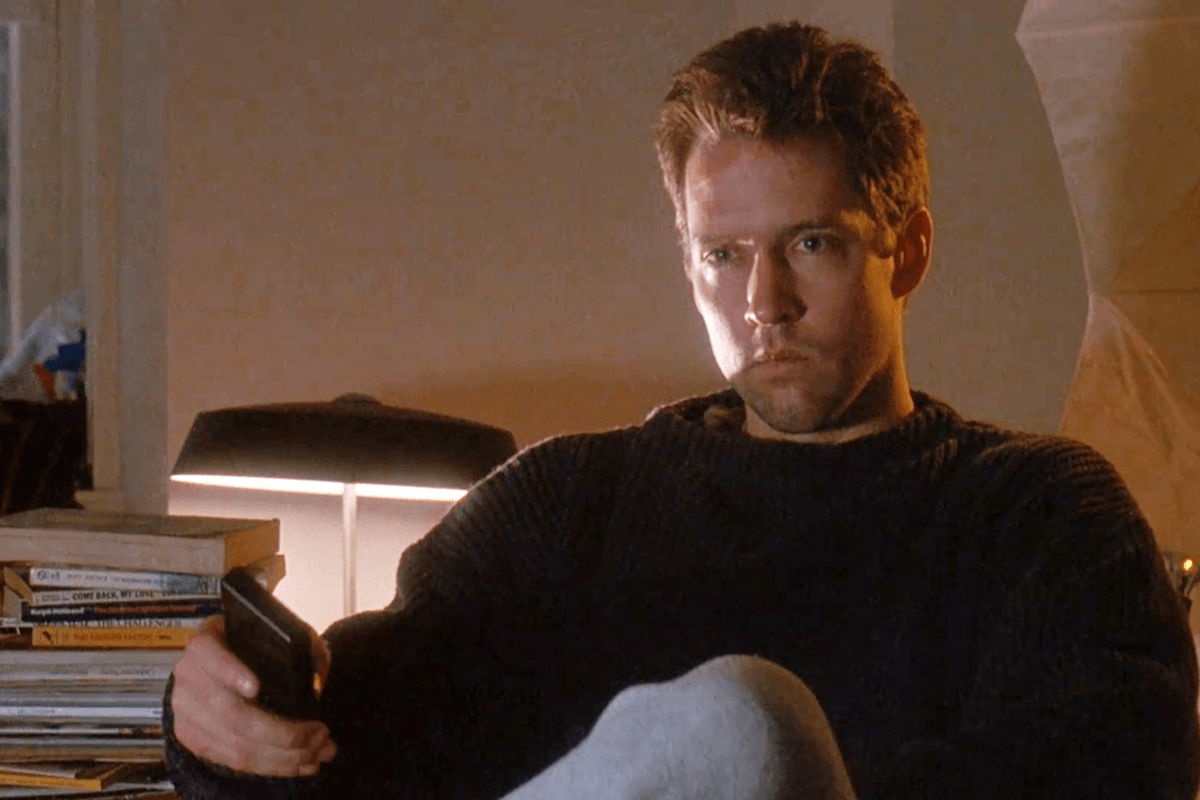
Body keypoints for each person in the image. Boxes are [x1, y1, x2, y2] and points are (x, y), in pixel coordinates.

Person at [164, 22, 1200, 800]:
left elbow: (1111, 763)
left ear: (909, 251)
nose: (766, 303)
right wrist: (221, 720)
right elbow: (355, 723)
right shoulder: (565, 498)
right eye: (723, 254)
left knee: (744, 723)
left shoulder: (1038, 514)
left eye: (811, 243)